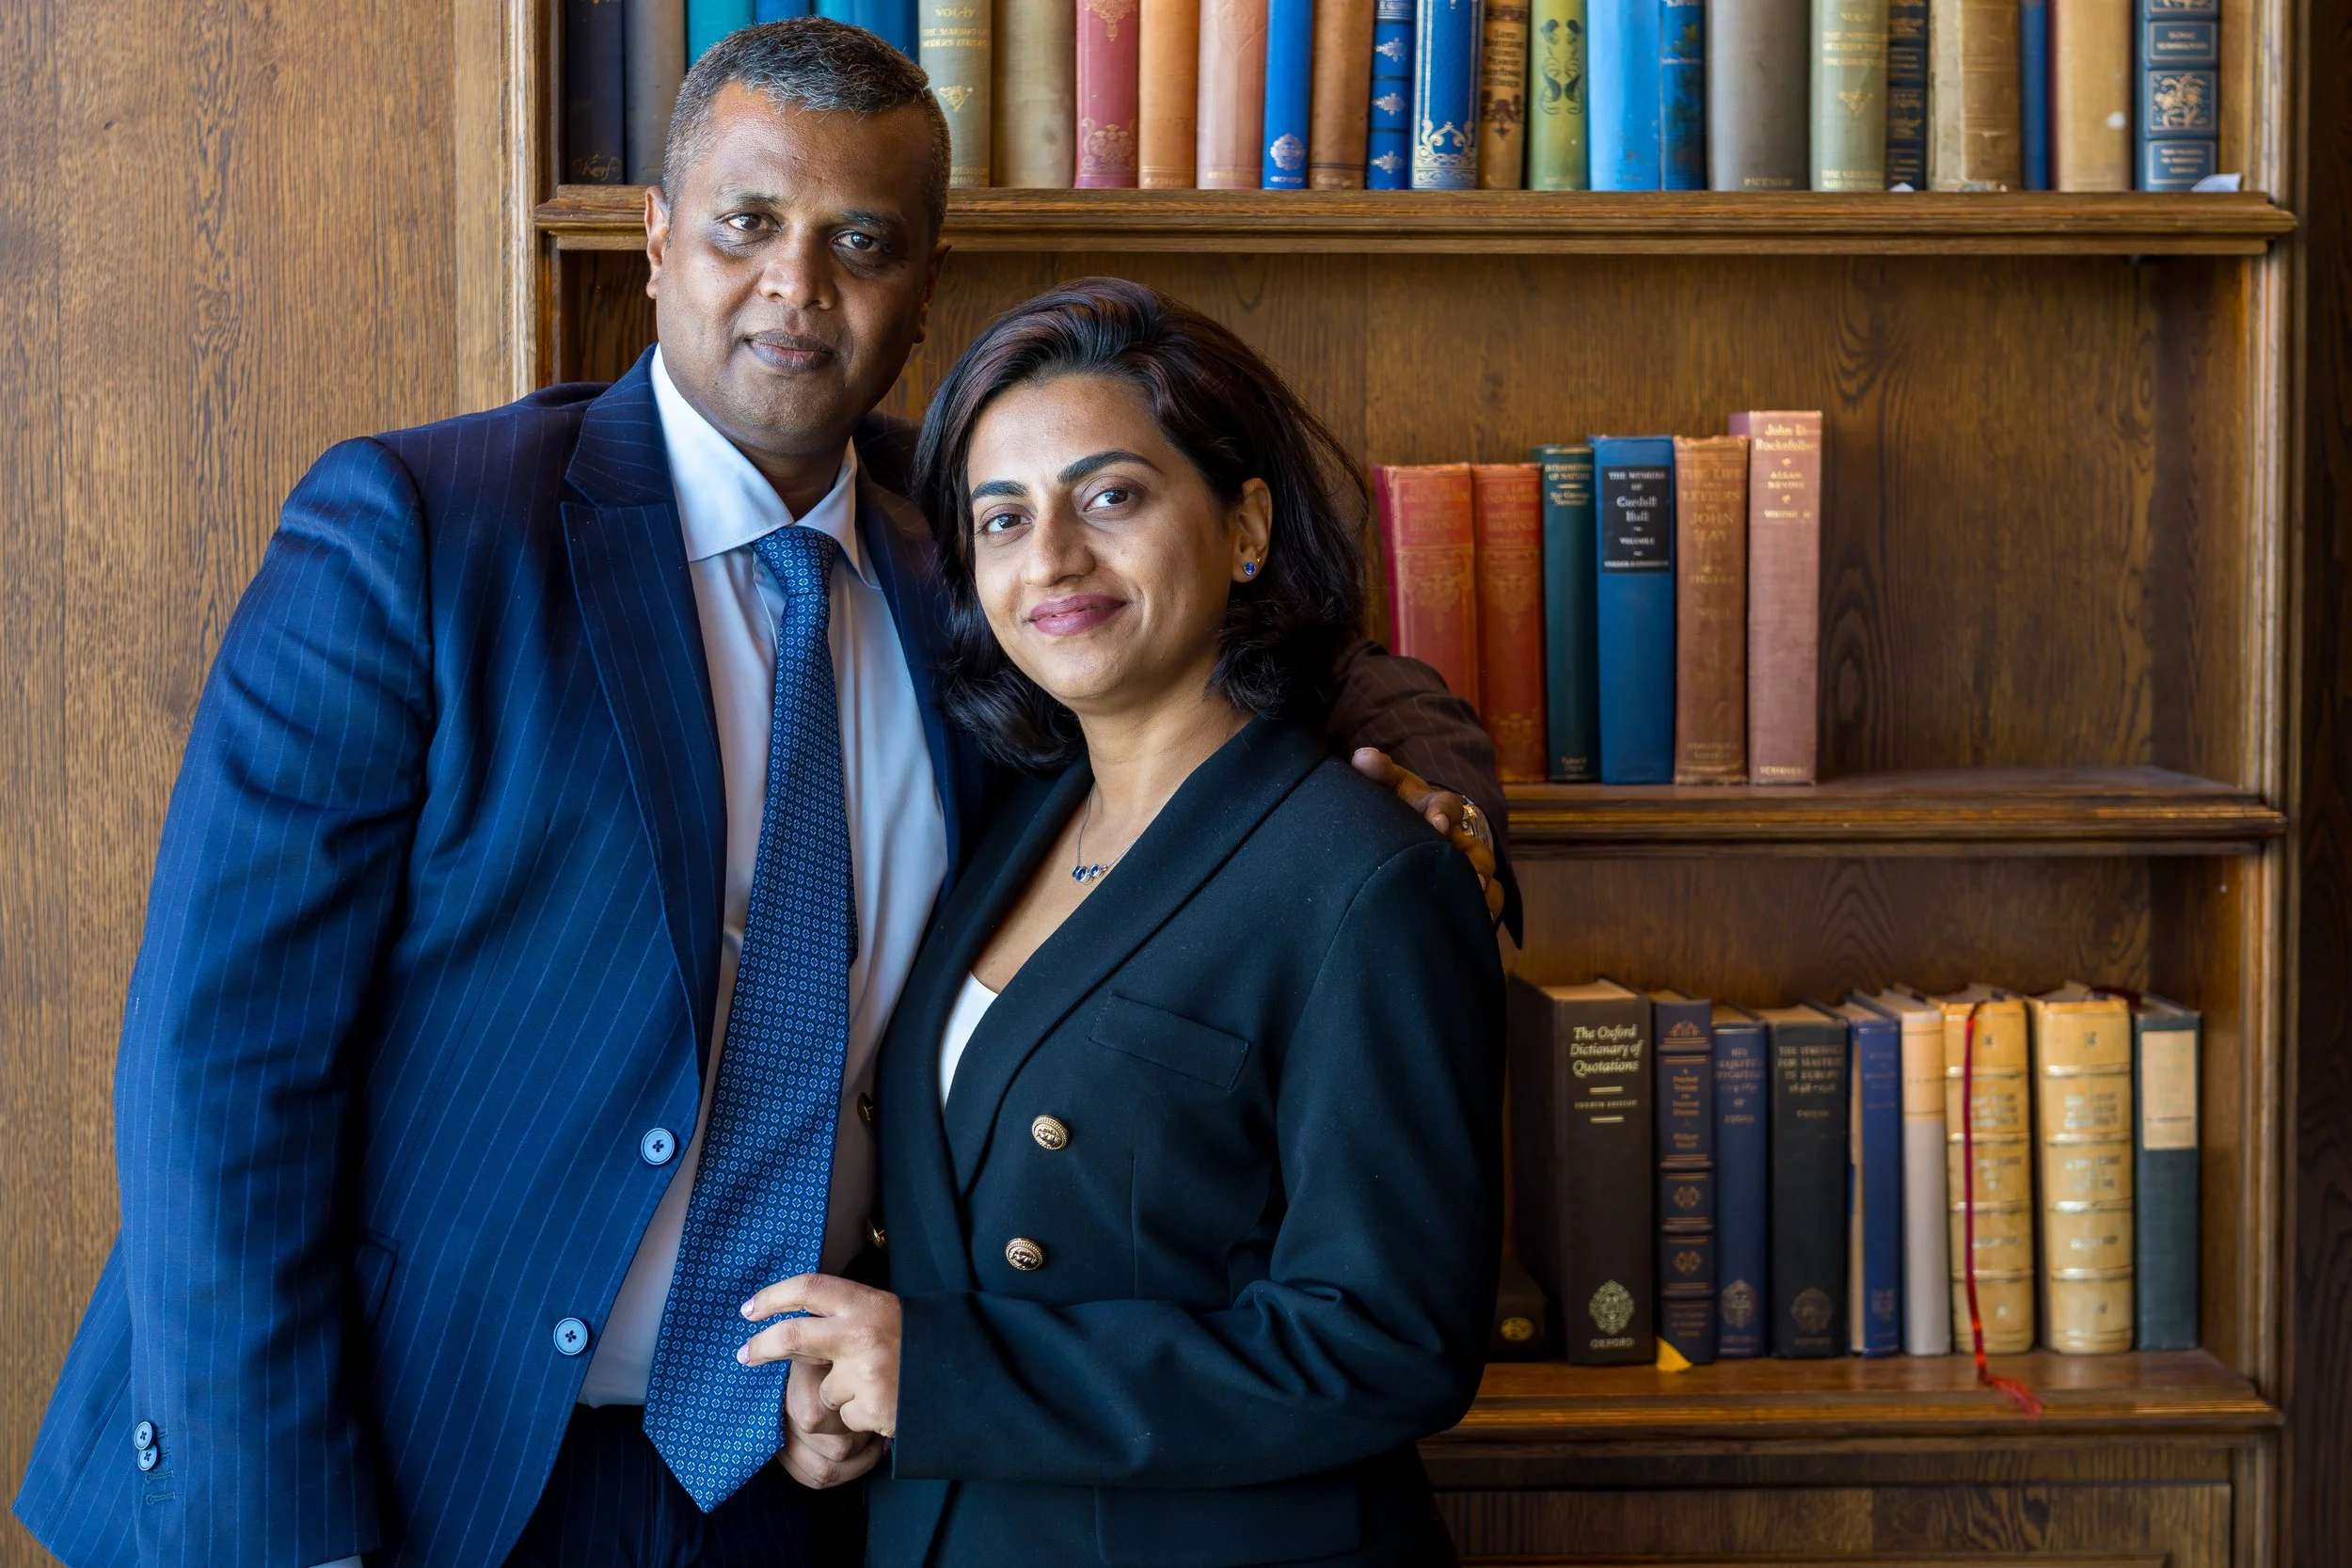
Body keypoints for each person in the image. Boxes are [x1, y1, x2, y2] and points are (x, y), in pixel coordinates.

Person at [11, 20, 1511, 1568]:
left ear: (925, 291)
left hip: (802, 1484)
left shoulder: (984, 561)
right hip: (413, 1464)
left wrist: (1447, 793)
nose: (799, 284)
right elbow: (218, 1065)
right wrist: (282, 1538)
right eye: (747, 223)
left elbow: (1295, 652)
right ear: (656, 245)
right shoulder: (425, 533)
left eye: (862, 241)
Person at [736, 280, 1504, 1567]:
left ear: (1245, 524)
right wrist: (860, 1392)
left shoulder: (1369, 874)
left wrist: (948, 1375)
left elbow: (1388, 1342)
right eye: (1002, 518)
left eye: (1111, 497)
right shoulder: (1008, 829)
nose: (1053, 559)